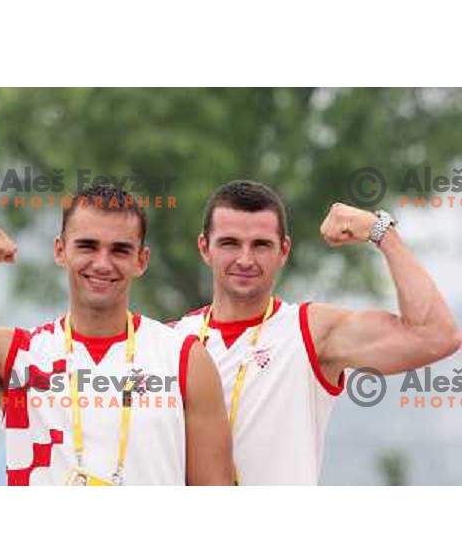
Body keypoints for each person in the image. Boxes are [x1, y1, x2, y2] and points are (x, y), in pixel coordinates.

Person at [0, 184, 232, 486]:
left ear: (141, 261)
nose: (102, 263)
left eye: (120, 250)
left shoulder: (184, 358)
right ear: (61, 250)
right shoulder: (15, 355)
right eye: (87, 246)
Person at [172, 180, 460, 485]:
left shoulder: (309, 330)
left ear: (283, 251)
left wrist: (380, 231)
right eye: (230, 243)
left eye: (261, 244)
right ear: (205, 248)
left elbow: (437, 336)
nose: (245, 259)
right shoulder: (171, 341)